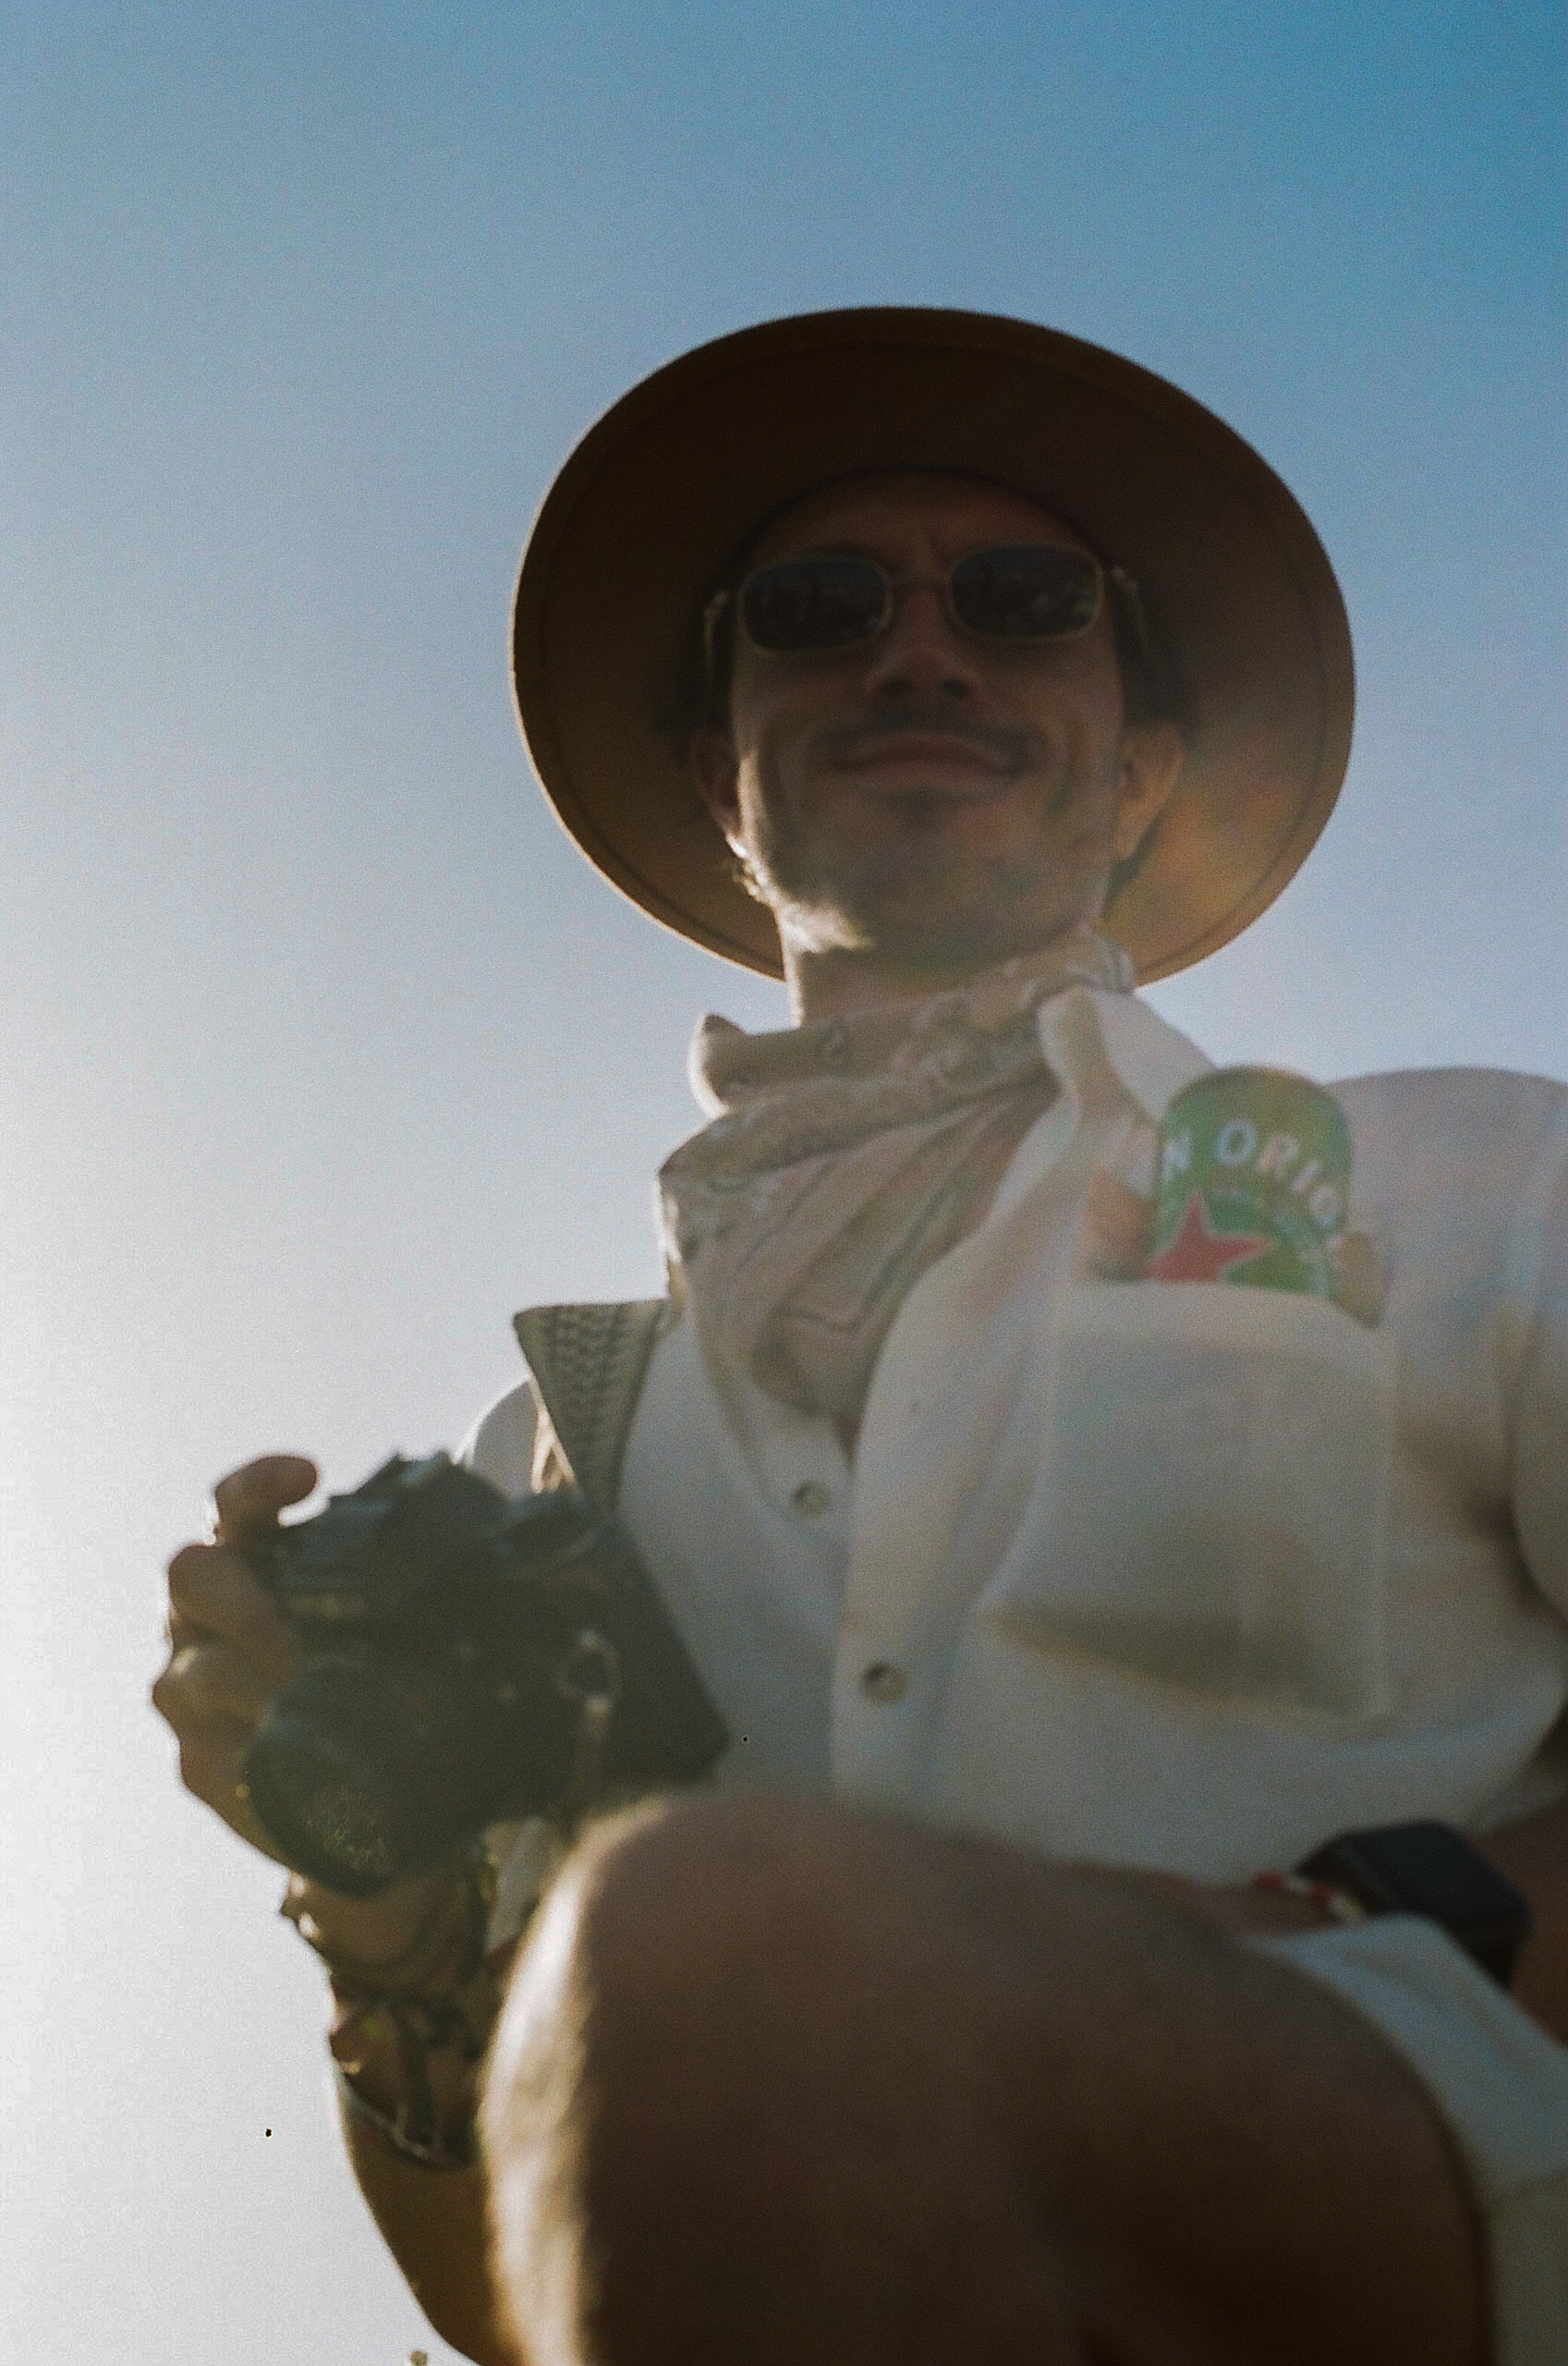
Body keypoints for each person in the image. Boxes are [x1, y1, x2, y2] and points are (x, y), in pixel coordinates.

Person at [154, 310, 1566, 2366]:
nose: (923, 654)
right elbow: (519, 2293)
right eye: (818, 613)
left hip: (1440, 2241)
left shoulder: (1468, 1178)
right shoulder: (543, 1472)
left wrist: (1339, 1944)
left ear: (1147, 762)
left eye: (1022, 603)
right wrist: (375, 1910)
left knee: (726, 1946)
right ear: (722, 776)